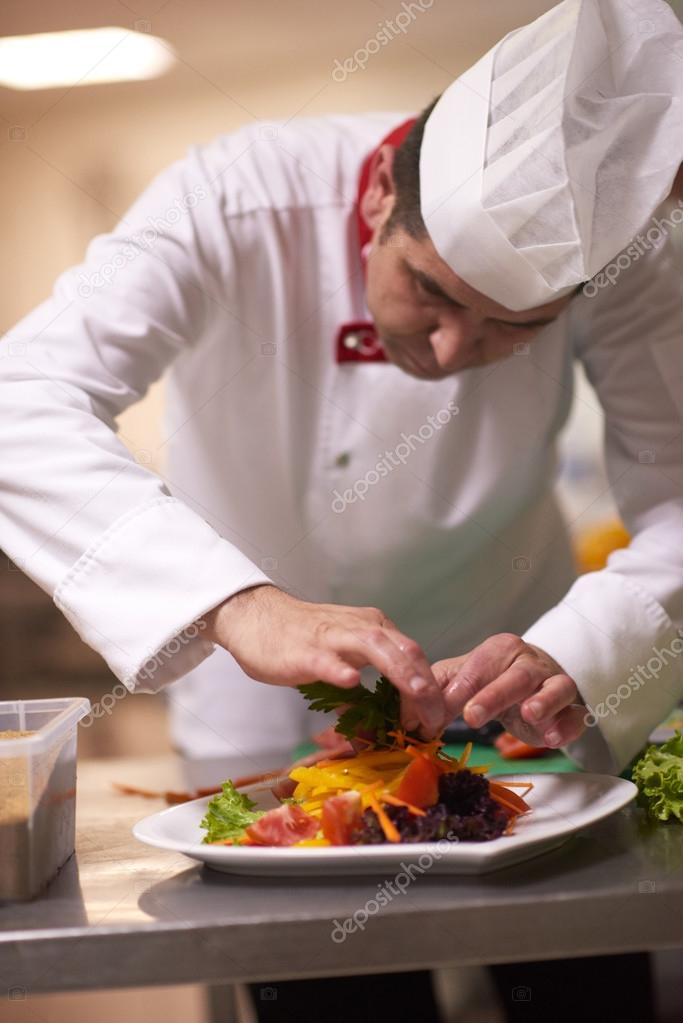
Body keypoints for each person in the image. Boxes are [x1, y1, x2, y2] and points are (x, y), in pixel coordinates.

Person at [1, 0, 682, 1019]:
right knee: (331, 993)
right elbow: (22, 403)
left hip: (513, 674)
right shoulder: (227, 200)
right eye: (432, 295)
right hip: (256, 693)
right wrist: (239, 604)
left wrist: (585, 645)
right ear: (375, 201)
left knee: (572, 973)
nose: (452, 353)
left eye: (513, 328)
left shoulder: (626, 263)